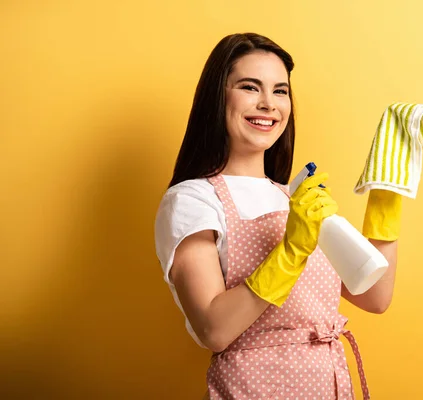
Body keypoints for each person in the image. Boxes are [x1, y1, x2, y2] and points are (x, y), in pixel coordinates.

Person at [154, 32, 402, 399]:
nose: (269, 104)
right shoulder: (193, 201)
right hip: (254, 389)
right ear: (217, 97)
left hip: (329, 384)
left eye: (280, 91)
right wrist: (291, 251)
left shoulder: (297, 199)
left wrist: (388, 192)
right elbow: (214, 330)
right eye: (250, 87)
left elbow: (374, 295)